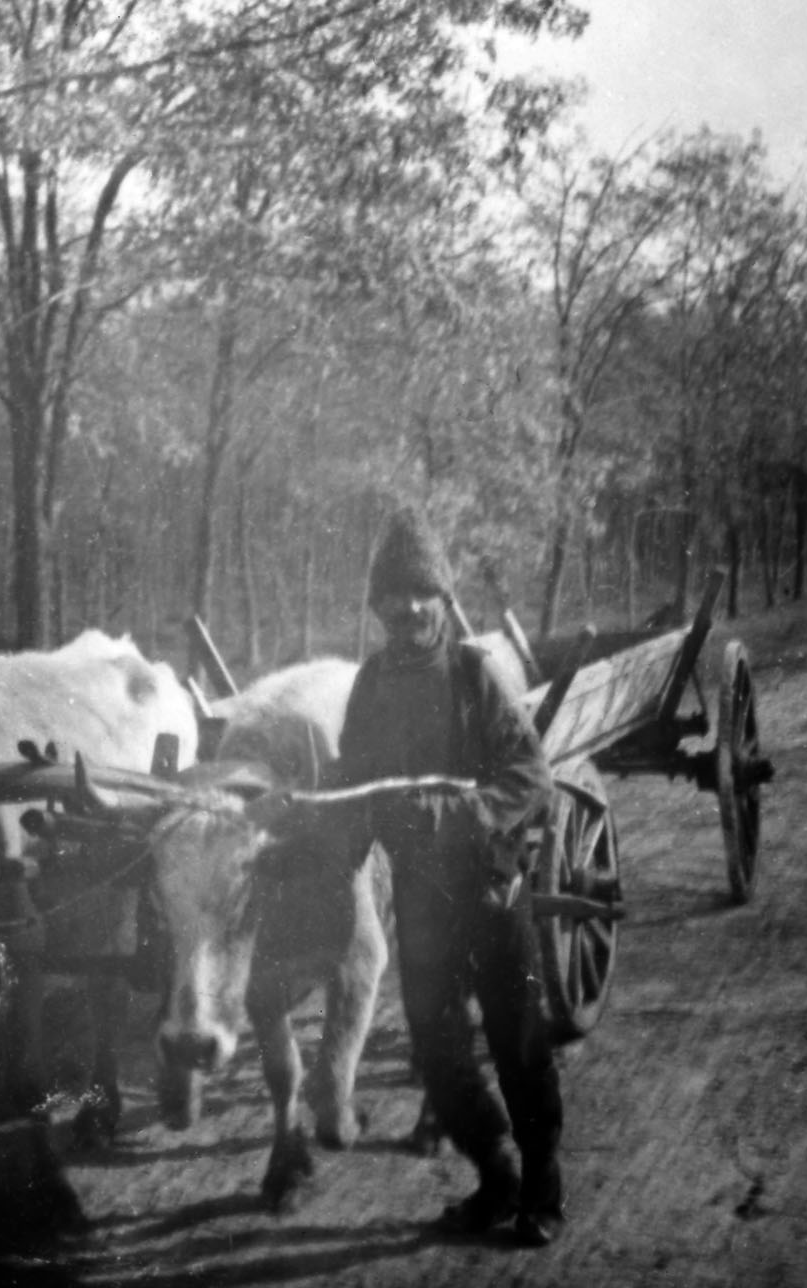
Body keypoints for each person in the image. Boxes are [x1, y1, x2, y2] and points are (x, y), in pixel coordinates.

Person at [333, 505, 564, 1247]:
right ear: (377, 610)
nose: (406, 610)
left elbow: (531, 773)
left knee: (518, 1041)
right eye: (392, 598)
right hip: (422, 902)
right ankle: (496, 1173)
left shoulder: (472, 675)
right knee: (435, 1049)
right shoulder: (369, 686)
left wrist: (463, 813)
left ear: (441, 599)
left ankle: (543, 1190)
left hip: (493, 890)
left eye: (419, 595)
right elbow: (353, 786)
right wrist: (308, 821)